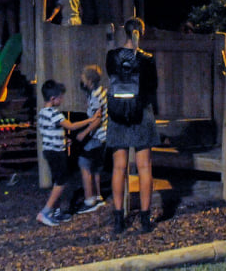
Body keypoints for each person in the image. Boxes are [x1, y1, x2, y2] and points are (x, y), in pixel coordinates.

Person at [105, 17, 159, 234]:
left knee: (119, 168)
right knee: (144, 167)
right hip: (141, 113)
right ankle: (145, 219)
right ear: (141, 33)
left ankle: (119, 219)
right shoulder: (147, 59)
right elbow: (153, 87)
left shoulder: (112, 57)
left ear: (125, 33)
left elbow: (112, 77)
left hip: (118, 113)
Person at [36, 79, 99, 226]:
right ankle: (45, 212)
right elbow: (71, 126)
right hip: (56, 153)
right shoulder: (54, 114)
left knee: (58, 181)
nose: (62, 100)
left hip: (49, 151)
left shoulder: (42, 113)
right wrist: (91, 120)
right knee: (61, 182)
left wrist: (63, 140)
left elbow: (49, 131)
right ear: (53, 98)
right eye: (60, 97)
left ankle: (56, 211)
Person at [75, 64, 108, 214]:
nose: (81, 79)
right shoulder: (100, 92)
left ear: (89, 80)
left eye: (83, 77)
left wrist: (84, 133)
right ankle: (98, 196)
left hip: (98, 136)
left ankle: (89, 201)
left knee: (84, 163)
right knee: (96, 167)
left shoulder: (95, 96)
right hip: (104, 136)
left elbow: (97, 120)